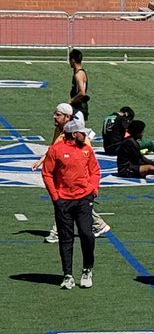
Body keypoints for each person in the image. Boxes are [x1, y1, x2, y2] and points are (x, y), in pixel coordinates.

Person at [34, 103, 110, 243]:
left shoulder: (77, 133)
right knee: (73, 204)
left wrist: (91, 186)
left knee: (65, 203)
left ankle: (56, 232)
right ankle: (100, 225)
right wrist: (41, 160)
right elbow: (53, 148)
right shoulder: (60, 129)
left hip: (77, 177)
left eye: (58, 114)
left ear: (67, 117)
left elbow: (86, 155)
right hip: (65, 174)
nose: (54, 117)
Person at [40, 116, 100, 291]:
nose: (85, 135)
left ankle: (87, 269)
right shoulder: (56, 150)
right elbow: (47, 173)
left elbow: (95, 170)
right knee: (66, 238)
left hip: (83, 199)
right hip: (63, 200)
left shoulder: (87, 151)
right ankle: (67, 275)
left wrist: (93, 189)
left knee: (87, 234)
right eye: (82, 133)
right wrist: (56, 197)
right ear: (74, 134)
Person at [68, 49, 90, 122]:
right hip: (78, 105)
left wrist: (71, 100)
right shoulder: (78, 72)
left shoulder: (78, 74)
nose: (69, 62)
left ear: (73, 60)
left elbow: (82, 92)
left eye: (70, 59)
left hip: (79, 106)